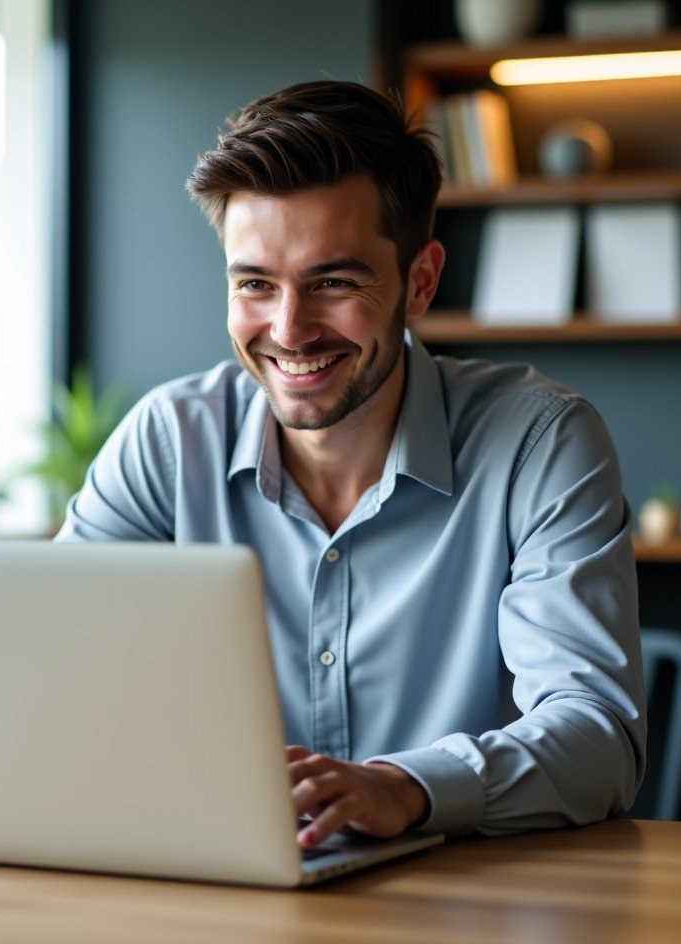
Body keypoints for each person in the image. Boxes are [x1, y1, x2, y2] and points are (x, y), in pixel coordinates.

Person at [57, 80, 646, 848]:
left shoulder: (540, 443)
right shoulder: (167, 441)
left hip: (467, 902)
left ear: (420, 281)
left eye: (333, 282)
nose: (289, 329)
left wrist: (406, 788)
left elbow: (597, 739)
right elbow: (57, 681)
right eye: (256, 285)